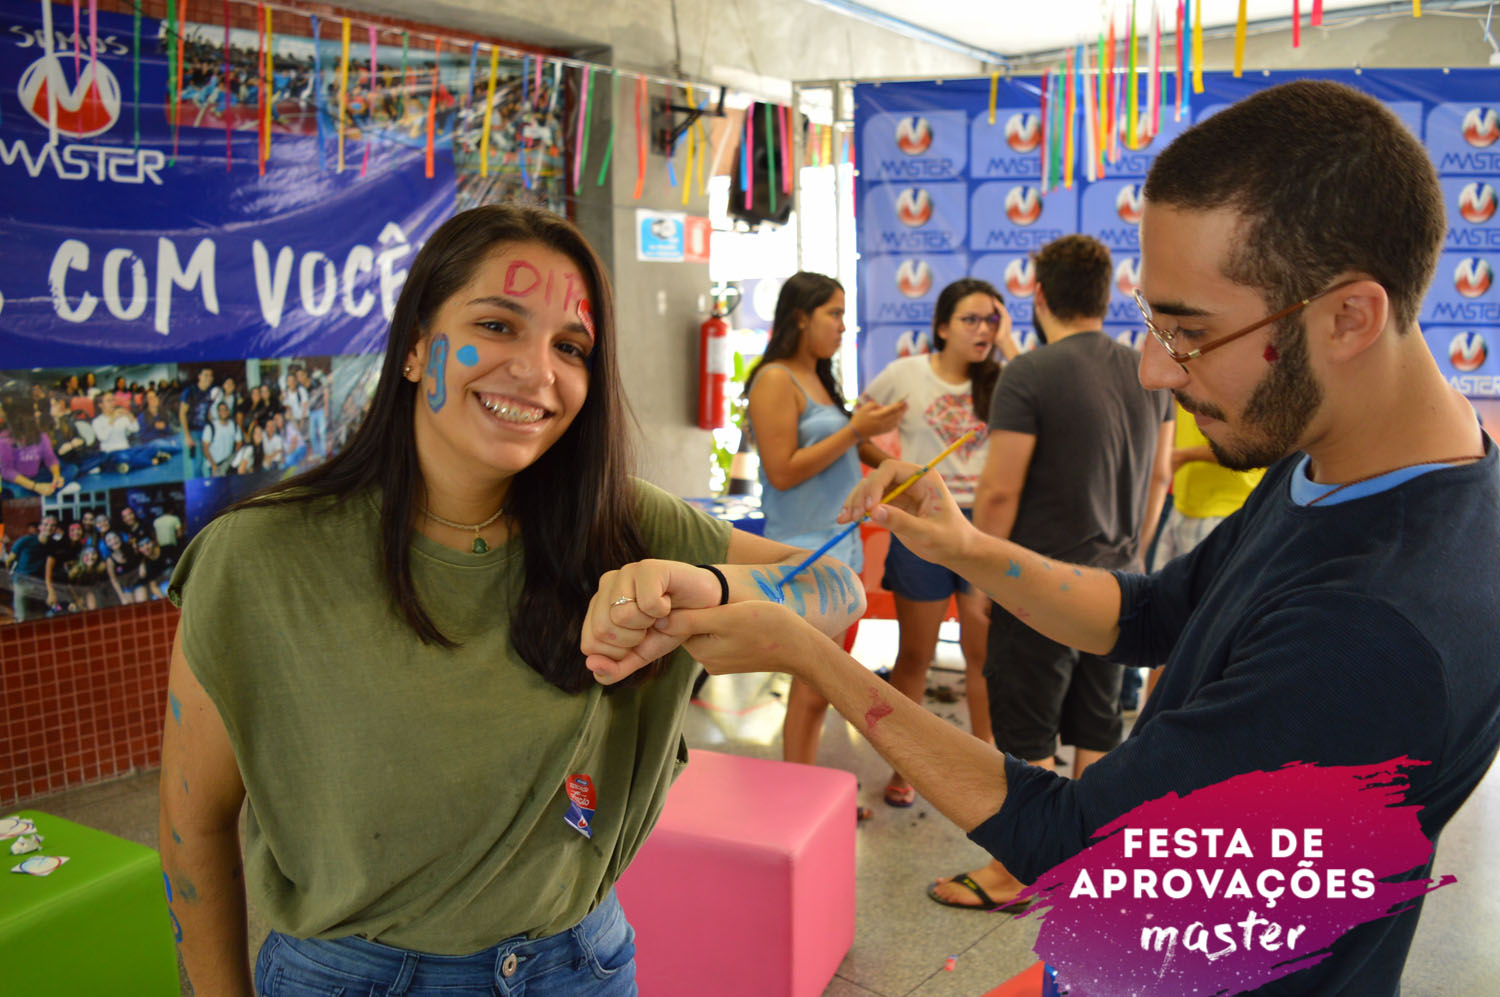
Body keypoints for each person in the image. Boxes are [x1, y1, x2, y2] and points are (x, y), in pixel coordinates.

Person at [600, 81, 1500, 995]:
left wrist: (812, 655)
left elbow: (1077, 843)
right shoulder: (1335, 463)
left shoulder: (1380, 621)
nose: (1154, 367)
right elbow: (1152, 613)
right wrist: (966, 548)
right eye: (1153, 320)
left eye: (1187, 333)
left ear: (1349, 317)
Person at [158, 204, 863, 997]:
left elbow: (837, 580)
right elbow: (194, 823)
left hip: (581, 966)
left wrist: (708, 586)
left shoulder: (624, 524)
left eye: (571, 347)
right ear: (418, 347)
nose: (538, 371)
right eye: (497, 326)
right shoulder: (260, 557)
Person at [930, 235, 1175, 911]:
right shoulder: (1145, 368)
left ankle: (1021, 871)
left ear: (1037, 296)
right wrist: (1132, 556)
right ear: (1106, 294)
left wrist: (981, 577)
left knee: (1027, 731)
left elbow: (1000, 493)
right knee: (1097, 727)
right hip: (1118, 587)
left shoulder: (1030, 373)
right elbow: (1159, 477)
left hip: (1036, 587)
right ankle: (1085, 863)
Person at [857, 277, 1018, 807]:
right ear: (942, 326)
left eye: (992, 320)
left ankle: (989, 768)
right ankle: (909, 766)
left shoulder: (1006, 379)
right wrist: (901, 471)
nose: (983, 330)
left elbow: (1035, 416)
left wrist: (1010, 347)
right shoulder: (906, 374)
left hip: (983, 529)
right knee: (916, 654)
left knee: (983, 653)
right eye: (971, 319)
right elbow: (857, 429)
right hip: (923, 524)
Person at [744, 272, 905, 782]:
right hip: (805, 554)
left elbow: (853, 448)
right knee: (813, 688)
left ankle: (806, 791)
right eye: (833, 313)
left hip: (843, 551)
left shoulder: (819, 377)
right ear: (800, 317)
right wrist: (856, 429)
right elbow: (784, 470)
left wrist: (893, 464)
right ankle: (799, 795)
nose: (842, 325)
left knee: (824, 688)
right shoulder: (774, 379)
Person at [0, 392, 65, 499]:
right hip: (16, 481)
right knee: (17, 493)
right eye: (34, 411)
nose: (38, 413)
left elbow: (51, 459)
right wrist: (35, 486)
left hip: (36, 477)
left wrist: (56, 476)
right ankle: (45, 492)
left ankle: (46, 490)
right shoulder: (4, 439)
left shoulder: (41, 435)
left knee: (71, 469)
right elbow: (6, 471)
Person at [180, 368, 218, 478]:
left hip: (204, 431)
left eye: (210, 376)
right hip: (192, 431)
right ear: (199, 376)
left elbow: (207, 411)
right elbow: (182, 413)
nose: (208, 378)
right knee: (196, 463)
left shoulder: (209, 392)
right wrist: (187, 436)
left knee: (203, 461)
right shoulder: (190, 391)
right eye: (206, 375)